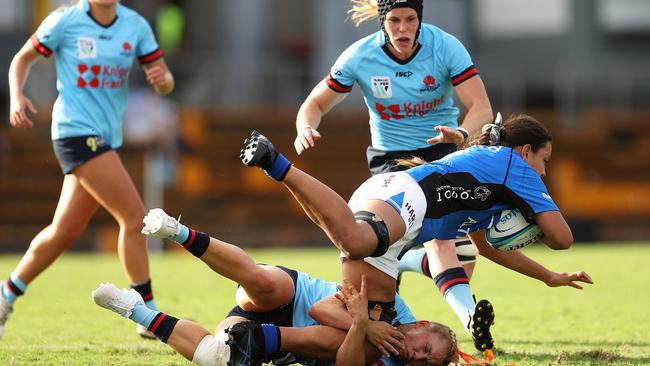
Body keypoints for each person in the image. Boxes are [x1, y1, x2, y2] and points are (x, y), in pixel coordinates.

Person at [241, 113, 592, 354]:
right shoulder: (515, 165)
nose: (543, 172)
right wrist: (532, 220)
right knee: (357, 240)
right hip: (405, 197)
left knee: (368, 334)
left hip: (397, 228)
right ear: (525, 151)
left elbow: (487, 249)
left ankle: (258, 339)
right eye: (544, 160)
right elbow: (562, 238)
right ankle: (276, 162)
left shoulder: (497, 188)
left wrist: (548, 277)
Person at [294, 0, 493, 299]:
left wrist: (462, 132)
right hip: (391, 161)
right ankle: (467, 317)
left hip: (442, 154)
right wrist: (305, 127)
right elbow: (315, 103)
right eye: (395, 21)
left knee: (463, 258)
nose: (403, 29)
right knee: (424, 243)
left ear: (420, 19)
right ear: (383, 22)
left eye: (411, 19)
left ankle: (408, 262)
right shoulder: (361, 55)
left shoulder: (445, 47)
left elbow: (482, 107)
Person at [1, 0, 174, 339]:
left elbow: (165, 82)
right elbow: (22, 59)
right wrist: (16, 96)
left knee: (64, 230)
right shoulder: (65, 21)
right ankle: (145, 311)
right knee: (134, 216)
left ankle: (6, 293)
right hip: (74, 132)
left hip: (106, 137)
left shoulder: (135, 25)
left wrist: (163, 79)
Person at [92, 208, 461, 366]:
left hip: (272, 336)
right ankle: (178, 231)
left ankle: (132, 308)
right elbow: (318, 309)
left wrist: (362, 324)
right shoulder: (394, 306)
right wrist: (366, 323)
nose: (418, 357)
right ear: (422, 325)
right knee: (260, 283)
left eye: (426, 363)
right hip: (293, 292)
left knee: (214, 356)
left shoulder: (391, 358)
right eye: (426, 348)